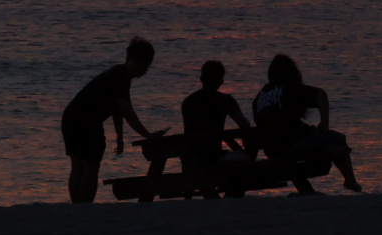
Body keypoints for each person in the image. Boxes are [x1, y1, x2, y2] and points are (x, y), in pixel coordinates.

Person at [61, 37, 166, 203]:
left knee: (79, 166)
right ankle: (84, 207)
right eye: (141, 64)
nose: (143, 69)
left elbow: (117, 109)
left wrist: (119, 136)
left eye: (146, 66)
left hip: (71, 116)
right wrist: (148, 135)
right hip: (85, 120)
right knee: (89, 167)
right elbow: (128, 112)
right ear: (130, 60)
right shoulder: (120, 77)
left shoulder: (119, 75)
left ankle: (78, 206)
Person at [252, 54, 362, 193]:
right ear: (292, 72)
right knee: (338, 139)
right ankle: (349, 180)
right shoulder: (290, 88)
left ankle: (325, 149)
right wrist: (324, 123)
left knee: (322, 140)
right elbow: (320, 94)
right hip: (293, 144)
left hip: (273, 150)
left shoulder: (259, 98)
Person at [180, 60, 252, 169]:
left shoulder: (188, 102)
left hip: (191, 160)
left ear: (201, 79)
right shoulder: (226, 100)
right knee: (244, 159)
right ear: (221, 81)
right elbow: (245, 125)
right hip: (214, 157)